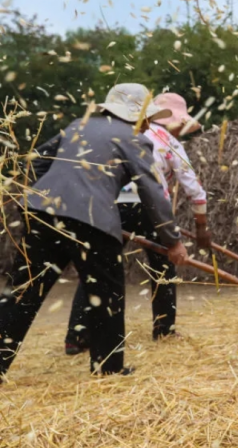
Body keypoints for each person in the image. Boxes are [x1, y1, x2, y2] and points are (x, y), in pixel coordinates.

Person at [0, 83, 188, 381]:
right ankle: (108, 369)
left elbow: (36, 159)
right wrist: (173, 241)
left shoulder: (79, 125)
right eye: (146, 117)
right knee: (106, 293)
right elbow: (152, 192)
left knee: (23, 293)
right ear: (137, 116)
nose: (148, 122)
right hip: (92, 221)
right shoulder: (135, 139)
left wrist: (40, 192)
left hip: (40, 213)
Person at [64, 93, 211, 354]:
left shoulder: (112, 134)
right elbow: (193, 187)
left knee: (97, 267)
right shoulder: (170, 141)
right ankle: (163, 329)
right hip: (149, 207)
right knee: (163, 266)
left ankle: (77, 336)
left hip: (108, 205)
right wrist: (201, 226)